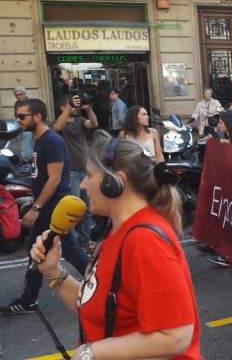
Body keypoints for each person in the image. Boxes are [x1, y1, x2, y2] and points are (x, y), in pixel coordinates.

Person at [29, 133, 202, 358]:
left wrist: (90, 353)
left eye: (90, 175)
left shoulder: (145, 242)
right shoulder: (121, 231)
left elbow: (175, 336)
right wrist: (53, 273)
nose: (82, 184)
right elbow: (100, 310)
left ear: (115, 182)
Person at [1, 99, 90, 315]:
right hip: (45, 208)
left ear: (37, 117)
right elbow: (40, 177)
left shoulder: (51, 141)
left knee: (72, 253)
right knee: (36, 253)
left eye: (22, 116)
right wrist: (34, 202)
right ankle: (29, 299)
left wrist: (37, 207)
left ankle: (106, 287)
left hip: (54, 210)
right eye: (17, 116)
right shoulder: (37, 140)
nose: (18, 120)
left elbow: (55, 179)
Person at [54, 94, 98, 250]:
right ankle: (71, 243)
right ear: (62, 108)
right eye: (70, 104)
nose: (74, 106)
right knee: (72, 210)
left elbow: (93, 123)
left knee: (87, 209)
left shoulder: (79, 121)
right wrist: (68, 109)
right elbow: (57, 128)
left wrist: (89, 109)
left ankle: (85, 241)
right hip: (71, 172)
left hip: (85, 170)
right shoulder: (61, 123)